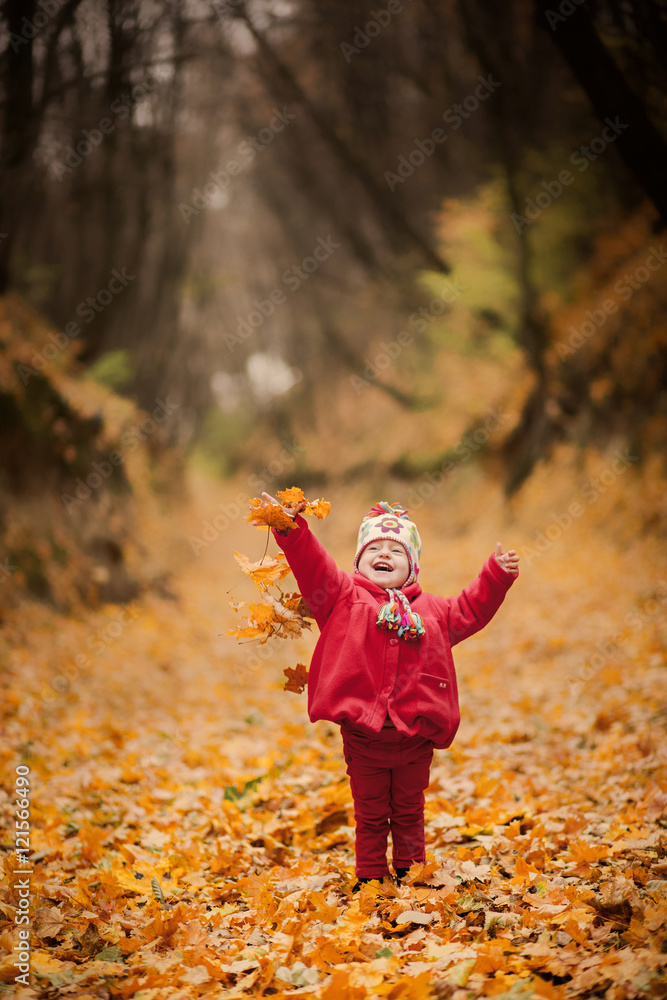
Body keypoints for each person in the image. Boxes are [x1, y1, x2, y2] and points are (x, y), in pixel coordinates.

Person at [254, 493, 519, 889]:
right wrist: (290, 528)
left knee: (410, 809)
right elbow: (313, 567)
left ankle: (411, 871)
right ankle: (371, 878)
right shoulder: (342, 598)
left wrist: (494, 576)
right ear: (358, 561)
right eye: (374, 548)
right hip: (364, 738)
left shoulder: (433, 612)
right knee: (371, 811)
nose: (384, 554)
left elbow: (472, 609)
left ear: (411, 567)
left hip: (416, 737)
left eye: (396, 550)